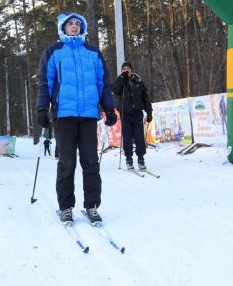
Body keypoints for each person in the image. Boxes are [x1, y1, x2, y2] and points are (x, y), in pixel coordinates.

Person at [36, 12, 117, 225]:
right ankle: (66, 207)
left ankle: (91, 206)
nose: (74, 26)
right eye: (70, 23)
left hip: (89, 115)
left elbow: (103, 82)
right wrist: (42, 109)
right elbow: (45, 83)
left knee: (91, 162)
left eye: (78, 24)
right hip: (64, 116)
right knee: (66, 163)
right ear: (63, 27)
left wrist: (109, 108)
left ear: (83, 28)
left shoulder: (93, 53)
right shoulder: (53, 52)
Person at [111, 61, 153, 171]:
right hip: (125, 113)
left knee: (139, 137)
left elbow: (146, 98)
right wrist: (121, 78)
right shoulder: (120, 81)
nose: (126, 71)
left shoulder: (138, 81)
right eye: (124, 69)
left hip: (138, 113)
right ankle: (128, 159)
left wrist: (149, 112)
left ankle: (141, 158)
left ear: (131, 70)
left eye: (128, 69)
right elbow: (114, 90)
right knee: (127, 137)